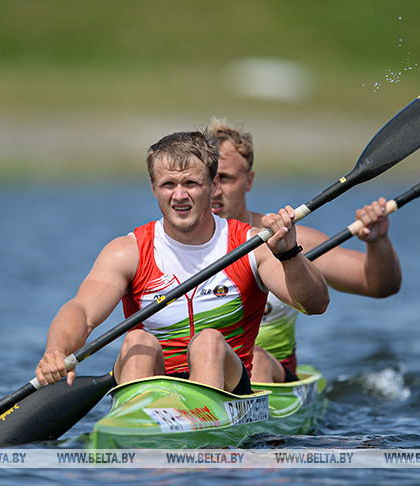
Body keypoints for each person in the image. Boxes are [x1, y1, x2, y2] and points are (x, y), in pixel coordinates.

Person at [35, 130, 329, 395]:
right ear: (153, 188)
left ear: (213, 186)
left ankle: (201, 427)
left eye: (191, 183)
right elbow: (82, 311)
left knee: (208, 341)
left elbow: (315, 304)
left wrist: (290, 254)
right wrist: (57, 350)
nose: (179, 195)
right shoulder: (129, 251)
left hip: (230, 389)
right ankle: (139, 427)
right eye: (168, 184)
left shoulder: (251, 246)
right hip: (153, 382)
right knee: (137, 343)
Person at [206, 118, 402, 383]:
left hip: (271, 377)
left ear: (249, 180)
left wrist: (377, 243)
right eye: (208, 179)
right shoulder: (174, 246)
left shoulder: (290, 240)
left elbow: (380, 285)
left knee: (259, 359)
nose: (214, 191)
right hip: (206, 377)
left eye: (226, 178)